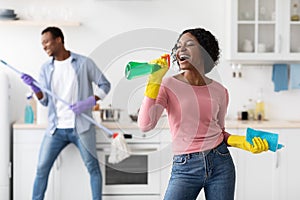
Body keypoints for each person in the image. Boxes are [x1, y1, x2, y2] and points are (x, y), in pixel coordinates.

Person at [137, 27, 269, 200]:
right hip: (185, 167)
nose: (180, 49)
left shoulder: (220, 91)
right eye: (178, 46)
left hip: (221, 163)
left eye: (189, 44)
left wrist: (241, 142)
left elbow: (219, 132)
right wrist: (154, 82)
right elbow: (145, 125)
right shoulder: (167, 85)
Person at [21, 26, 111, 200]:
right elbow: (45, 100)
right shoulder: (45, 69)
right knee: (41, 169)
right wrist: (34, 87)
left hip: (82, 127)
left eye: (47, 42)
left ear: (59, 40)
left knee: (93, 168)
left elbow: (105, 85)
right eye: (42, 44)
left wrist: (89, 102)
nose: (44, 47)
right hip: (56, 129)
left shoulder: (84, 63)